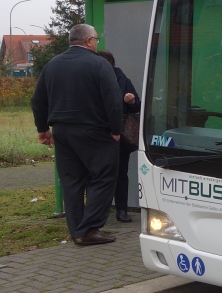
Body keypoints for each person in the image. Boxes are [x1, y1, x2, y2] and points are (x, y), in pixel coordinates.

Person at [31, 24, 123, 245]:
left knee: (71, 181)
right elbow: (113, 100)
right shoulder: (100, 64)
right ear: (89, 41)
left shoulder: (52, 65)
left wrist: (43, 129)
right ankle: (89, 229)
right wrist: (116, 130)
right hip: (94, 131)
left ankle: (77, 232)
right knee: (103, 176)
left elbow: (37, 100)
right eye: (97, 40)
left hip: (62, 131)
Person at [97, 50, 140, 223]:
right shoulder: (92, 79)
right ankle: (100, 211)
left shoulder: (123, 80)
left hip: (120, 133)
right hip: (97, 133)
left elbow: (137, 106)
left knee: (120, 172)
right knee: (98, 173)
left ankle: (121, 210)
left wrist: (132, 101)